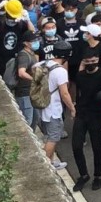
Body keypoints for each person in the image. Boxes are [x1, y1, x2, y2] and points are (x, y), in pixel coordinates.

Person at [70, 47, 101, 193]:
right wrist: (74, 107)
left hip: (97, 114)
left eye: (93, 61)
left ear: (98, 60)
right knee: (76, 145)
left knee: (96, 147)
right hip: (82, 113)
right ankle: (83, 175)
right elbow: (78, 93)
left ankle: (98, 176)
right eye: (88, 62)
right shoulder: (80, 76)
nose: (91, 64)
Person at [38, 39, 75, 170]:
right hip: (53, 109)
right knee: (53, 139)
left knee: (49, 136)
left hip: (42, 105)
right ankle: (46, 166)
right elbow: (64, 94)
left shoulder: (43, 64)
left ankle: (52, 162)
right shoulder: (60, 71)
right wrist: (72, 108)